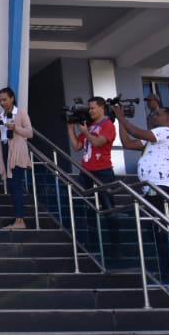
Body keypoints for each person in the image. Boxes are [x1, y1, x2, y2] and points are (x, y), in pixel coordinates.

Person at [114, 102, 169, 282]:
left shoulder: (166, 132)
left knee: (163, 233)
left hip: (163, 188)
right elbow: (128, 143)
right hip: (152, 190)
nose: (153, 116)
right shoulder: (154, 137)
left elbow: (136, 132)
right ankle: (167, 274)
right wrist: (121, 121)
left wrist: (121, 117)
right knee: (155, 232)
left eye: (157, 113)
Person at [69, 97, 119, 255]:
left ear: (102, 108)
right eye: (89, 108)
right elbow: (77, 146)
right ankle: (92, 244)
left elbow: (98, 143)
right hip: (86, 170)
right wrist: (70, 128)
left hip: (103, 170)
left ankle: (115, 247)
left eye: (92, 108)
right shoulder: (90, 126)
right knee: (86, 207)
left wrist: (85, 132)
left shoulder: (107, 124)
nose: (89, 111)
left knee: (109, 209)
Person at [0, 87, 35, 230]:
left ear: (12, 98)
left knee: (16, 185)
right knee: (12, 186)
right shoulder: (0, 115)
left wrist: (15, 128)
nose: (2, 102)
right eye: (0, 100)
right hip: (5, 150)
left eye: (5, 99)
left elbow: (30, 133)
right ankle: (18, 219)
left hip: (17, 151)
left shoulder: (21, 113)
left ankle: (20, 221)